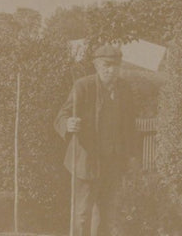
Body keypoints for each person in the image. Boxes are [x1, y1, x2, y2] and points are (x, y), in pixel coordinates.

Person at [54, 44, 138, 236]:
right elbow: (62, 115)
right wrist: (68, 124)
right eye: (106, 65)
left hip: (113, 162)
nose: (112, 70)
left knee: (107, 214)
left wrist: (132, 156)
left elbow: (130, 126)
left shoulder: (124, 89)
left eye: (116, 65)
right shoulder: (84, 86)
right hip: (86, 161)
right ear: (96, 65)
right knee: (82, 214)